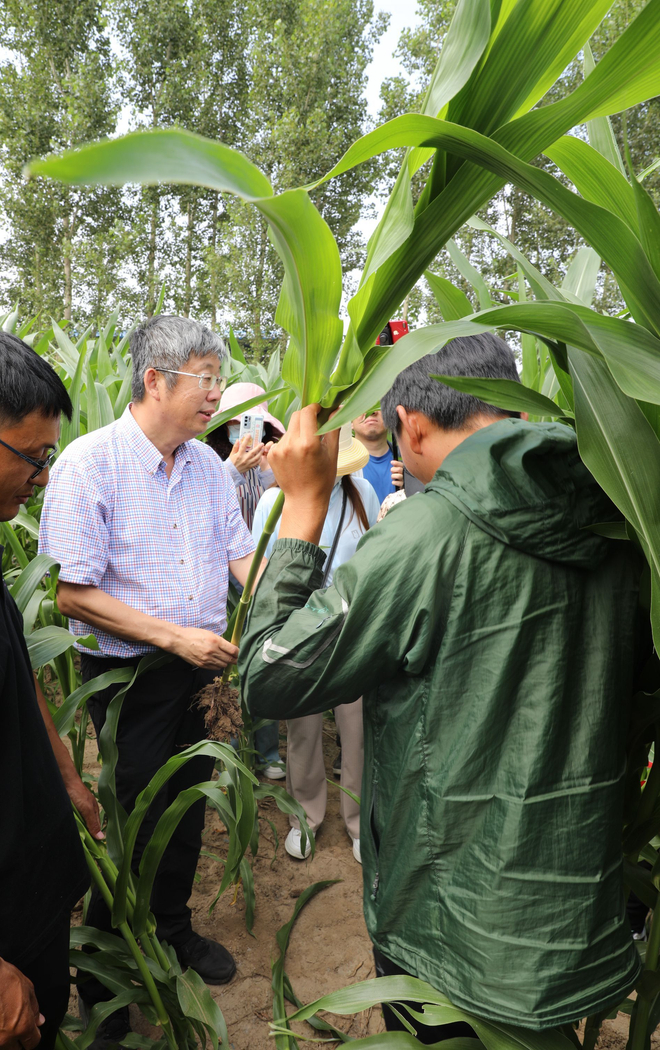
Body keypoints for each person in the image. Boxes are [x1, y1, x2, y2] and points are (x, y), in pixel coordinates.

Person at [239, 332, 642, 1041]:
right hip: (571, 910)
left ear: (410, 426)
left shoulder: (426, 535)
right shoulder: (624, 509)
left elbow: (270, 678)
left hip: (446, 922)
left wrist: (301, 513)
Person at [39, 316, 259, 1049]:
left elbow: (241, 561)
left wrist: (281, 601)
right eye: (206, 379)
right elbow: (73, 593)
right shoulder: (88, 464)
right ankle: (104, 980)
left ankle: (171, 933)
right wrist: (174, 637)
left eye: (219, 380)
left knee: (189, 810)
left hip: (200, 672)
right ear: (155, 379)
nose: (216, 395)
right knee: (129, 822)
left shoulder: (205, 468)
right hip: (129, 677)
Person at [0, 329, 99, 1050]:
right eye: (32, 457)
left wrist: (64, 773)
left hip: (30, 900)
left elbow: (15, 667)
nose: (43, 478)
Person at [252, 424, 379, 863]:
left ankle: (360, 823)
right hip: (298, 631)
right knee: (302, 730)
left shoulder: (363, 493)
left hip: (350, 630)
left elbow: (369, 565)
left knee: (357, 732)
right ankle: (305, 817)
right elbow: (265, 574)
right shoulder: (273, 501)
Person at [208, 382, 285, 777]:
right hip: (223, 582)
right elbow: (199, 510)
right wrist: (232, 472)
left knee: (264, 657)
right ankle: (231, 753)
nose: (243, 432)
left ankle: (268, 752)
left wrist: (276, 470)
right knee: (228, 667)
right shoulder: (208, 463)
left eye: (251, 423)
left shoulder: (270, 464)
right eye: (236, 423)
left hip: (261, 574)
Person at [207, 381, 285, 529]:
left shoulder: (273, 459)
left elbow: (284, 509)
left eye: (249, 421)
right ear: (224, 425)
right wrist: (232, 469)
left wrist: (269, 472)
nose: (244, 428)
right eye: (237, 421)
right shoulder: (208, 460)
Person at [352, 409, 403, 503]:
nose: (371, 412)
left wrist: (409, 487)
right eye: (363, 405)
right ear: (350, 422)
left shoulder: (409, 460)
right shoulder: (339, 465)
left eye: (378, 405)